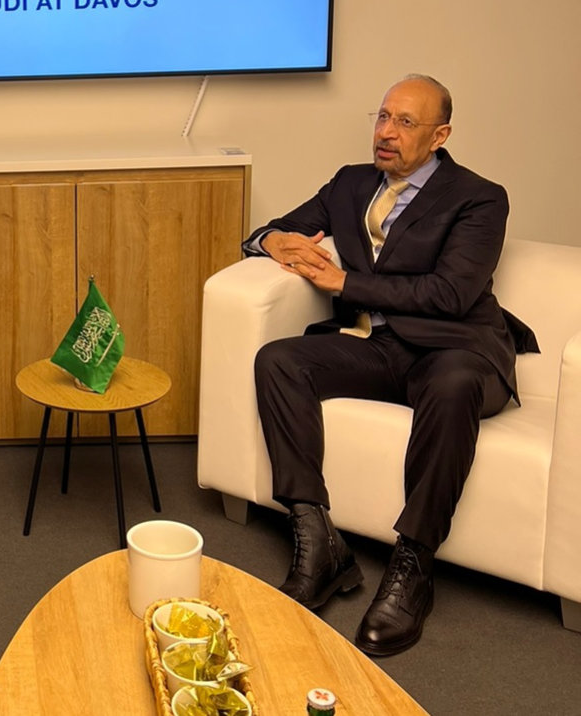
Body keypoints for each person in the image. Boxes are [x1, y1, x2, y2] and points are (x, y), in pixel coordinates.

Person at [243, 75, 536, 656]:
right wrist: (272, 240)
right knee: (279, 360)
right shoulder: (351, 184)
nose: (385, 133)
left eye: (404, 123)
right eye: (382, 117)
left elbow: (452, 293)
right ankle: (316, 540)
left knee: (452, 385)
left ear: (440, 134)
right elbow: (274, 228)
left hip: (455, 349)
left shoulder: (479, 196)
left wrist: (347, 280)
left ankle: (413, 566)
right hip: (375, 345)